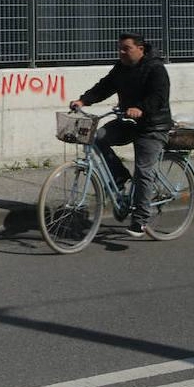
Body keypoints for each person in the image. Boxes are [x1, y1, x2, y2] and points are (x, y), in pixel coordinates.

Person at [69, 32, 172, 238]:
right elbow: (105, 86)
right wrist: (83, 100)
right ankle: (118, 177)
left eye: (126, 48)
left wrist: (140, 108)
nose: (121, 52)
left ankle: (141, 219)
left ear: (140, 49)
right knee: (97, 138)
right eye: (120, 48)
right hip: (129, 122)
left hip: (152, 126)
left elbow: (159, 96)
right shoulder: (121, 68)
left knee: (143, 171)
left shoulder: (155, 68)